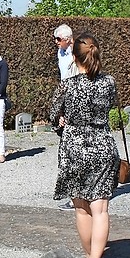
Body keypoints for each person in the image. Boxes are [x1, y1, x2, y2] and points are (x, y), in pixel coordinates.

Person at [51, 34, 120, 258]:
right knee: (100, 209)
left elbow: (52, 116)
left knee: (82, 210)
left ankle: (90, 257)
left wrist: (61, 123)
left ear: (74, 57)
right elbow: (109, 106)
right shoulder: (109, 82)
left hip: (75, 147)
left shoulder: (67, 86)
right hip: (102, 144)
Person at [53, 24, 77, 210]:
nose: (56, 42)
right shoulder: (61, 54)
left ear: (68, 39)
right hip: (66, 96)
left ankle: (75, 197)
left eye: (58, 39)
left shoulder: (76, 52)